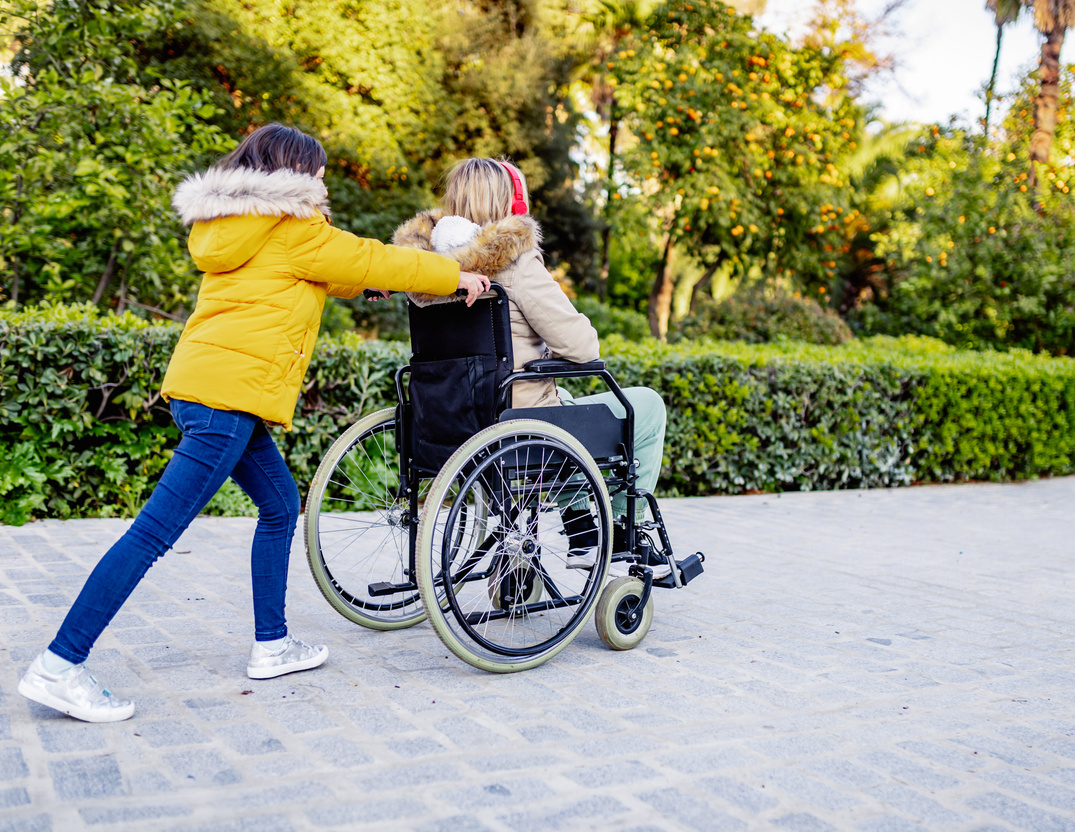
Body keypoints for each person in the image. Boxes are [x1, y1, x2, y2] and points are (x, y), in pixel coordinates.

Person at [18, 124, 491, 724]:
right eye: (317, 171)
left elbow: (337, 268)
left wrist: (366, 281)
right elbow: (365, 255)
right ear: (293, 173)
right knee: (152, 535)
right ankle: (60, 664)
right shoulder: (294, 227)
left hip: (210, 390)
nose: (323, 182)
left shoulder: (244, 226)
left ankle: (273, 644)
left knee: (278, 504)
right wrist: (456, 276)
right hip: (226, 402)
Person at [392, 157, 667, 563]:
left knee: (566, 397)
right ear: (506, 203)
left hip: (447, 423)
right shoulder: (515, 263)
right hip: (514, 423)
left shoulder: (424, 270)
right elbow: (583, 347)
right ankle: (622, 530)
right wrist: (548, 345)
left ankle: (581, 529)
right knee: (646, 405)